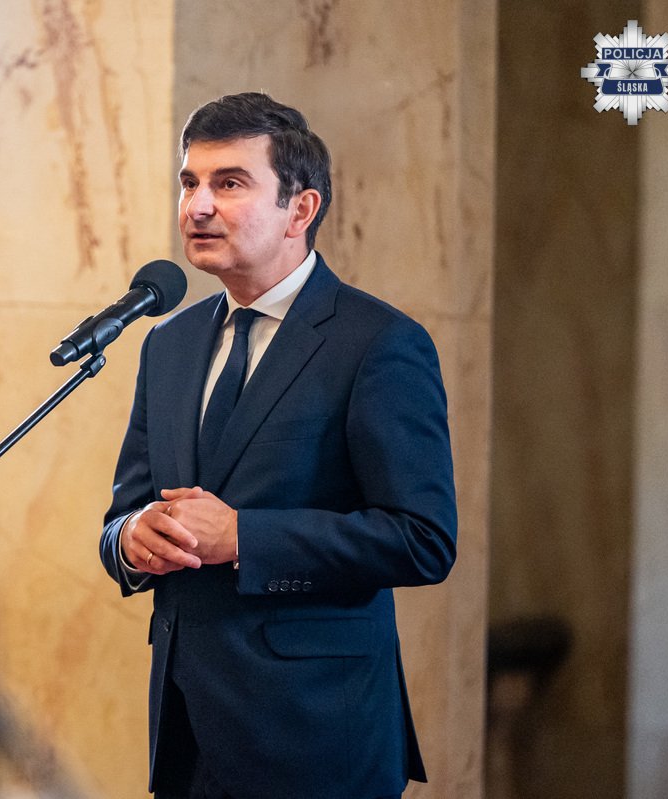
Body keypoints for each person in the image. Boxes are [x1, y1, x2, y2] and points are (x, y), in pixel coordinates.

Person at [99, 92, 457, 799]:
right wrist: (133, 538)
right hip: (187, 736)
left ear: (301, 209)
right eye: (190, 182)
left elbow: (423, 539)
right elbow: (123, 515)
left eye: (230, 183)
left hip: (319, 736)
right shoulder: (168, 344)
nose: (199, 206)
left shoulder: (378, 344)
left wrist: (245, 537)